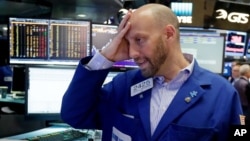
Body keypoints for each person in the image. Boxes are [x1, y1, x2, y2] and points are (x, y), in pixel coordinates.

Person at [61, 3, 243, 141]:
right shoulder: (123, 85)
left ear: (169, 34)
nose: (132, 53)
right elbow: (74, 115)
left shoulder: (223, 94)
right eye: (128, 43)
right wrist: (105, 56)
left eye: (139, 40)